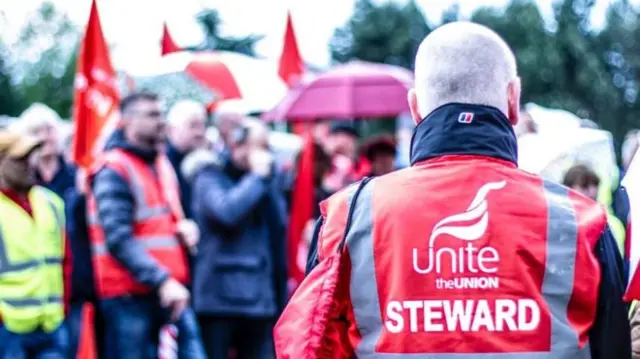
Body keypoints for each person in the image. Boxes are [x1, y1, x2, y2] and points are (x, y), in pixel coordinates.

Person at [287, 22, 629, 358]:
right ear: (513, 100)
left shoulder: (349, 217)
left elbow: (313, 344)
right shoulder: (580, 221)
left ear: (415, 106)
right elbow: (613, 347)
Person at [87, 92, 205, 359]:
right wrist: (162, 280)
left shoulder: (160, 163)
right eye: (152, 115)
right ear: (127, 121)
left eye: (161, 114)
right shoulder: (114, 169)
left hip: (167, 292)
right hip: (130, 296)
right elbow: (117, 238)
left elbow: (161, 219)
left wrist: (185, 227)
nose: (161, 121)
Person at [188, 118, 288, 359]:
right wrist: (257, 177)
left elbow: (280, 222)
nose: (264, 154)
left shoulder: (264, 179)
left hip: (260, 301)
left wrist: (267, 180)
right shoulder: (208, 176)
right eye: (258, 146)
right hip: (219, 302)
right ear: (236, 146)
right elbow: (227, 212)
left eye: (266, 147)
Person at [0, 130, 70, 358]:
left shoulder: (51, 202)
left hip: (51, 325)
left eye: (32, 156)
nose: (31, 164)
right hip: (9, 330)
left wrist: (62, 308)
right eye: (20, 159)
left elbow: (65, 262)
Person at [166, 100, 208, 219]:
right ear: (171, 130)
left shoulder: (207, 160)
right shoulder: (162, 164)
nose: (200, 132)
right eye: (193, 125)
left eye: (202, 125)